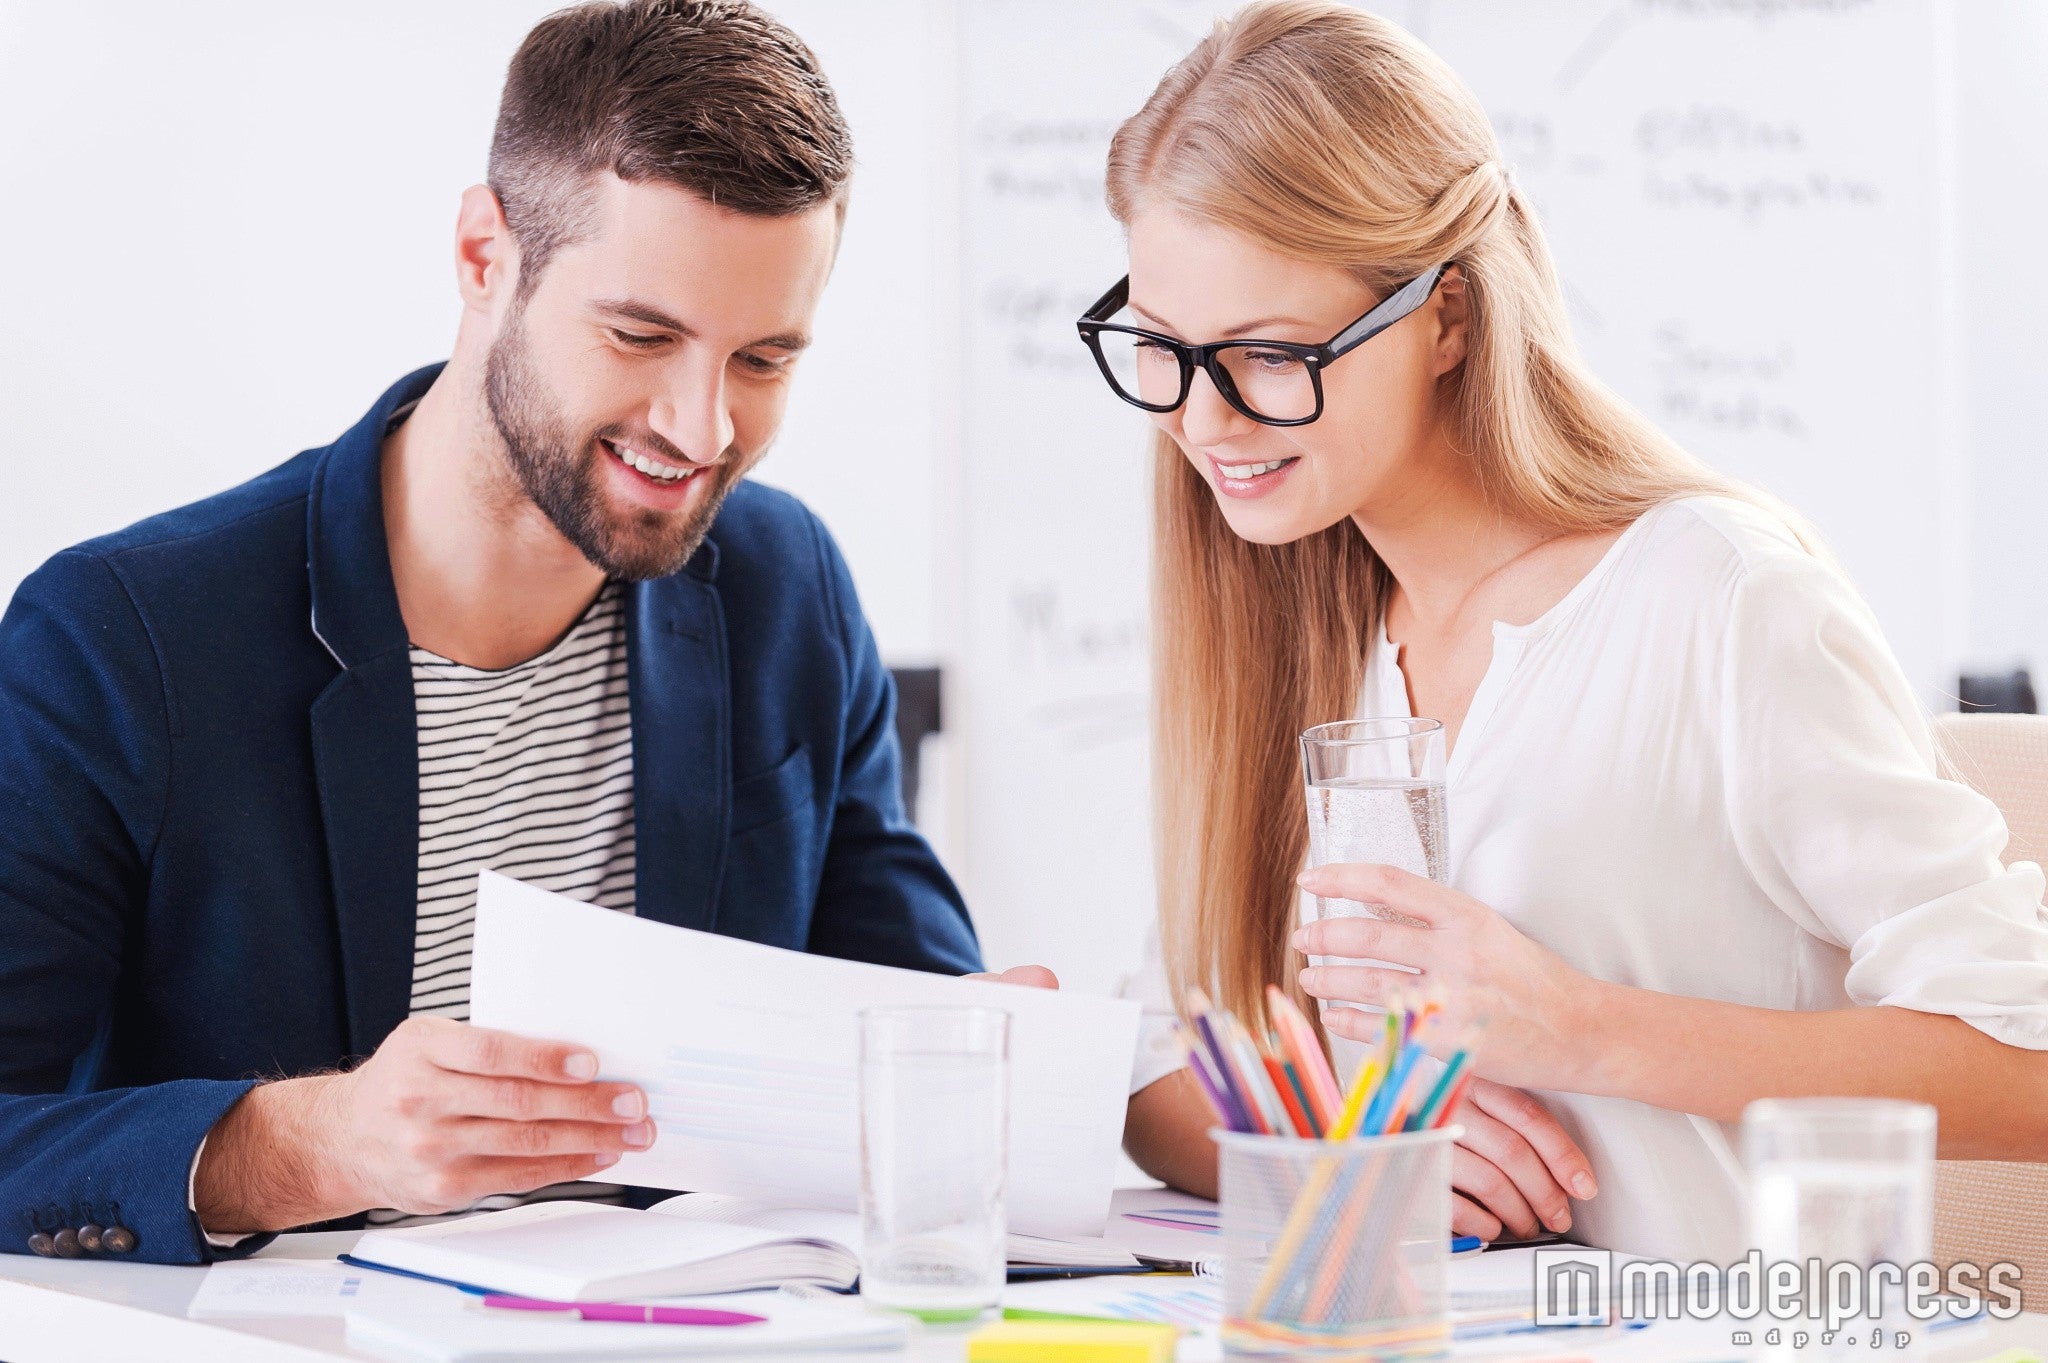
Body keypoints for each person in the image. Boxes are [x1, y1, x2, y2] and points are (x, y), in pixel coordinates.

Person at [0, 0, 1037, 1267]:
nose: (703, 429)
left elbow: (915, 1024)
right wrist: (305, 1145)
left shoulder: (783, 587)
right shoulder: (122, 641)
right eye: (640, 335)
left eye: (763, 360)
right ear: (485, 255)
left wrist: (994, 1062)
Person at [1093, 0, 2048, 1260]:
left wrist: (1582, 1028)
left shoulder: (1717, 601)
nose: (1203, 423)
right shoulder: (1295, 632)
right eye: (1162, 349)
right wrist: (1348, 1146)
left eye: (1271, 355)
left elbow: (2024, 1067)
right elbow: (1161, 1077)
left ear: (1444, 317)